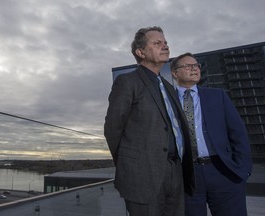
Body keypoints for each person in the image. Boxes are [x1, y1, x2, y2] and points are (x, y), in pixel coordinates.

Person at [104, 27, 195, 216]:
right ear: (140, 52)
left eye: (165, 43)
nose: (165, 46)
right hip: (142, 176)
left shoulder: (169, 87)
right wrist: (129, 164)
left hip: (175, 172)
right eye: (157, 43)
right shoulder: (127, 82)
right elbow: (113, 128)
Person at [170, 52, 252, 216]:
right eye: (188, 66)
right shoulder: (167, 101)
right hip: (186, 175)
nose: (194, 68)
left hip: (223, 172)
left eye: (196, 65)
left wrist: (243, 169)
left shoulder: (217, 96)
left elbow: (238, 133)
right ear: (175, 73)